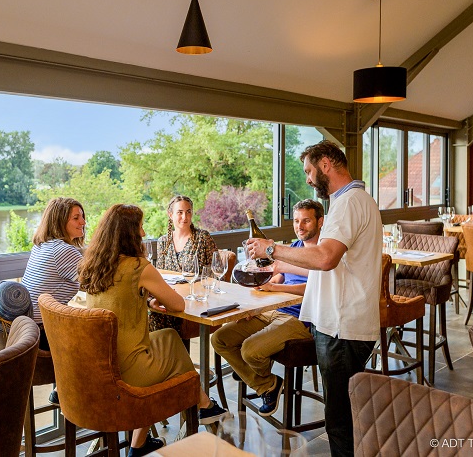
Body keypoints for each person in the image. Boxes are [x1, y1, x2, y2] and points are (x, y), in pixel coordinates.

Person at [246, 140, 382, 457]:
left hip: (341, 326)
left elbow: (325, 258)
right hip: (342, 323)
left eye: (308, 170)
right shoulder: (354, 201)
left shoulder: (348, 203)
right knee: (344, 413)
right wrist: (281, 263)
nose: (308, 179)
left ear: (325, 164)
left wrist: (271, 249)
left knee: (339, 421)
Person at [79, 204, 227, 457]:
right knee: (177, 359)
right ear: (128, 234)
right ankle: (203, 405)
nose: (143, 231)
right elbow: (178, 304)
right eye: (139, 227)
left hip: (101, 362)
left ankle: (141, 444)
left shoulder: (95, 265)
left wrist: (146, 301)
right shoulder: (138, 266)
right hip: (128, 368)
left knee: (169, 338)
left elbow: (116, 298)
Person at [211, 199, 323, 417]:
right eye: (297, 221)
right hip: (272, 310)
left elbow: (315, 287)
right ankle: (268, 385)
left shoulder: (323, 253)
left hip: (301, 318)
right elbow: (281, 276)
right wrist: (262, 293)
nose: (299, 226)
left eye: (306, 221)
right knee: (220, 339)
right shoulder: (295, 248)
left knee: (250, 351)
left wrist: (273, 287)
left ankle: (256, 375)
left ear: (320, 222)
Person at [22, 197, 86, 405]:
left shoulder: (42, 246)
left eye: (82, 216)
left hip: (26, 332)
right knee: (109, 335)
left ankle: (64, 388)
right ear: (59, 222)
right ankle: (91, 399)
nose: (83, 222)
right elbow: (98, 284)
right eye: (76, 218)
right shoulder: (64, 251)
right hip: (44, 338)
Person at [150, 195, 218, 335]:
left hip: (196, 298)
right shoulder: (163, 241)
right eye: (179, 212)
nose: (184, 217)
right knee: (152, 315)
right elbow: (161, 275)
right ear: (170, 215)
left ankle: (171, 353)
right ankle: (166, 353)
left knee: (160, 319)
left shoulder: (202, 237)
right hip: (171, 296)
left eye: (188, 212)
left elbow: (214, 270)